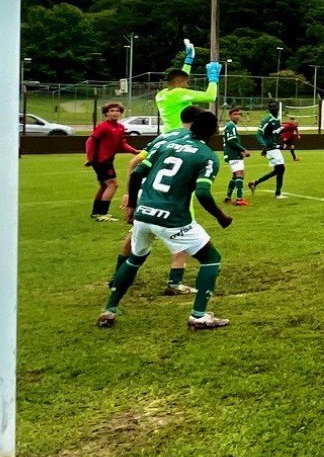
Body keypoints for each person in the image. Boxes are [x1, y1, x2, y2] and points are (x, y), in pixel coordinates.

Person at [98, 105, 235, 331]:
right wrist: (221, 216)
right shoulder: (207, 156)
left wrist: (132, 204)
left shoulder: (168, 145)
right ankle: (199, 316)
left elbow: (138, 172)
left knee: (135, 259)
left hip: (144, 214)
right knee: (211, 259)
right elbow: (202, 192)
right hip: (172, 219)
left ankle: (109, 309)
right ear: (213, 133)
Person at [85, 101, 133, 222]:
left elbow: (122, 143)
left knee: (103, 186)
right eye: (111, 111)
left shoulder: (120, 127)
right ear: (106, 113)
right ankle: (103, 213)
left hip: (108, 160)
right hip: (102, 160)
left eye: (117, 110)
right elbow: (90, 141)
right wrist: (90, 158)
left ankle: (96, 213)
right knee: (112, 185)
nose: (115, 113)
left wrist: (134, 151)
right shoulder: (103, 126)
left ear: (121, 113)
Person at [155, 46, 220, 135]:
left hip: (167, 134)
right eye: (186, 82)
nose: (187, 85)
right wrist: (213, 79)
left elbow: (181, 79)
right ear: (180, 82)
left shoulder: (161, 94)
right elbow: (211, 97)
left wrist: (188, 60)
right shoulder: (179, 93)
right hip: (182, 134)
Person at [253, 101, 288, 198]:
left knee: (278, 170)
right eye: (271, 107)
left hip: (275, 147)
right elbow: (258, 134)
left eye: (275, 106)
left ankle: (255, 183)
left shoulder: (278, 120)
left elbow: (276, 134)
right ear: (269, 109)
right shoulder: (267, 120)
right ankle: (278, 193)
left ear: (278, 107)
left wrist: (282, 142)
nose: (274, 108)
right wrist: (264, 146)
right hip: (270, 148)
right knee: (281, 169)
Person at [221, 107, 250, 206]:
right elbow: (232, 140)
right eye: (235, 114)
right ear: (230, 115)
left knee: (235, 175)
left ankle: (228, 197)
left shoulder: (229, 126)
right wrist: (243, 150)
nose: (237, 116)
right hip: (233, 154)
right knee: (239, 174)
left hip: (232, 153)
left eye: (239, 114)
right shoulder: (231, 126)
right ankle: (239, 199)